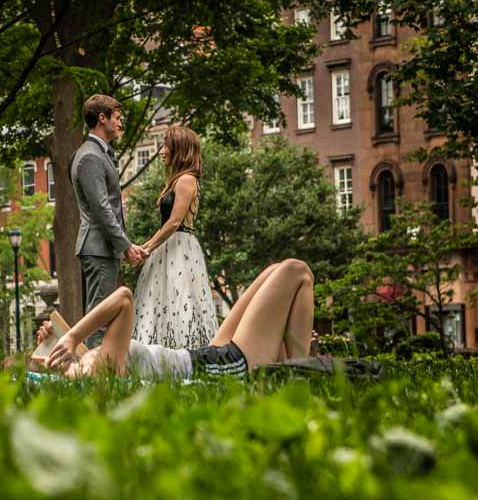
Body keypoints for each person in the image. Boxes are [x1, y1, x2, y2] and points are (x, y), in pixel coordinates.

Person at [34, 259, 314, 380]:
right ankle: (300, 376)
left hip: (205, 355)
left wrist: (58, 341)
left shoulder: (90, 365)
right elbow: (123, 298)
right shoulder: (102, 373)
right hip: (225, 367)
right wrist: (72, 336)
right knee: (296, 272)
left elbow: (78, 358)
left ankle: (289, 371)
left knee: (276, 270)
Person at [70, 94, 147, 347]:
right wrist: (125, 245)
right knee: (98, 320)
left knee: (101, 316)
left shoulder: (99, 153)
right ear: (101, 119)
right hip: (98, 249)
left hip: (104, 249)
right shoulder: (90, 156)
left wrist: (122, 248)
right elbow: (102, 209)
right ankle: (95, 379)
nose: (120, 123)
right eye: (117, 118)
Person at [132, 125, 218, 349]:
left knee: (180, 301)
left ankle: (182, 354)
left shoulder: (187, 179)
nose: (161, 151)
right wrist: (144, 248)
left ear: (179, 149)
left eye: (166, 145)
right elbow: (165, 225)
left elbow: (174, 222)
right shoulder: (178, 180)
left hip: (181, 247)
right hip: (168, 246)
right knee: (160, 302)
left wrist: (147, 249)